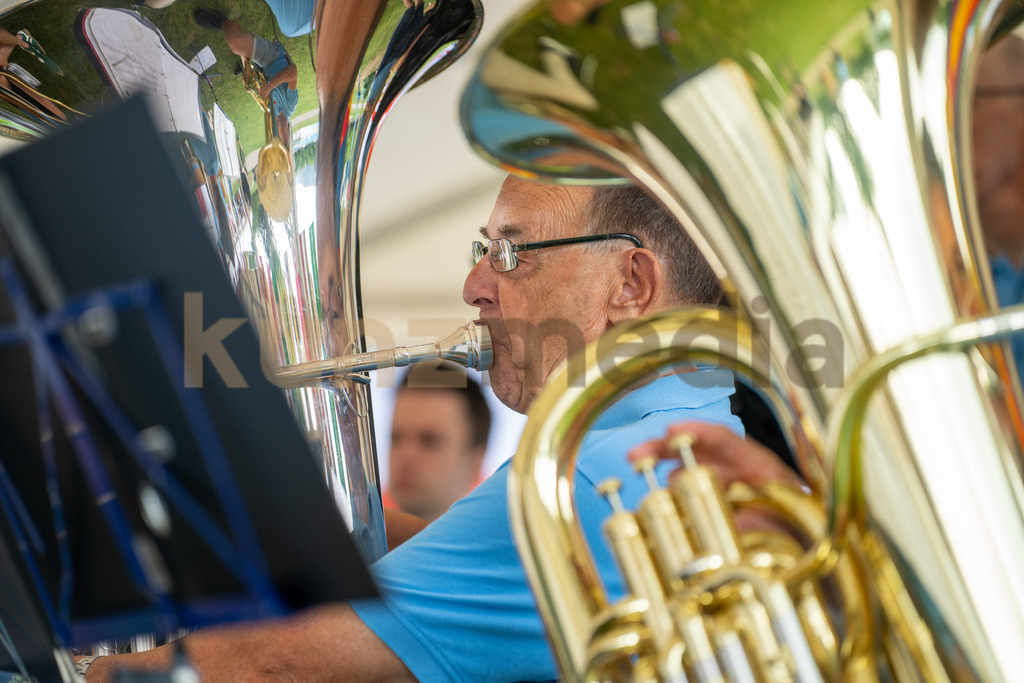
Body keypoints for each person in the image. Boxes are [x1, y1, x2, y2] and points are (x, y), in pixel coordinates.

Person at [80, 177, 761, 682]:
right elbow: (475, 559)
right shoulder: (699, 432)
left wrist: (86, 670)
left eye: (511, 252)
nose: (473, 285)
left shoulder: (578, 480)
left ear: (631, 284)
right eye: (483, 249)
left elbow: (271, 665)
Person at [382, 361, 491, 522]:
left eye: (429, 441)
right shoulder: (358, 526)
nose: (406, 455)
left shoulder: (512, 532)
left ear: (475, 460)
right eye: (396, 438)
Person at [193, 8, 299, 121]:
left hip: (263, 71)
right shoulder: (291, 106)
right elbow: (293, 72)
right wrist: (271, 85)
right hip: (274, 58)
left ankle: (245, 62)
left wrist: (251, 84)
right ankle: (222, 21)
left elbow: (263, 91)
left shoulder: (273, 115)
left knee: (243, 58)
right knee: (235, 43)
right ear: (287, 130)